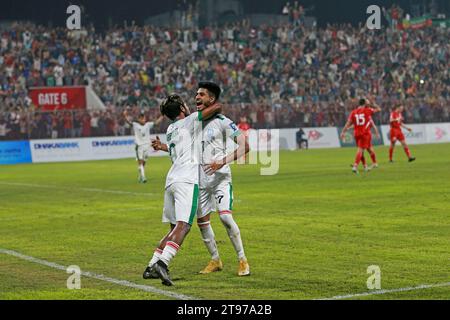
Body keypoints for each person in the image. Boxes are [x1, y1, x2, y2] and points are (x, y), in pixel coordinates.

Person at [143, 94, 222, 286]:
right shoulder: (191, 120)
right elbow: (218, 107)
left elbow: (174, 151)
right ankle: (163, 262)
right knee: (184, 225)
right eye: (185, 105)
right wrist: (208, 101)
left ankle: (151, 265)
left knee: (173, 228)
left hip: (171, 181)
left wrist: (160, 146)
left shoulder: (171, 129)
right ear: (181, 109)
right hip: (186, 180)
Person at [196, 82, 251, 277]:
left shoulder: (223, 122)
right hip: (201, 182)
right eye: (196, 94)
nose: (197, 97)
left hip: (220, 179)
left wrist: (222, 161)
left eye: (201, 94)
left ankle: (243, 260)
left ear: (211, 99)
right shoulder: (193, 122)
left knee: (225, 217)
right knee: (202, 222)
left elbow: (245, 146)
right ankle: (215, 260)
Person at [340, 98, 381, 174]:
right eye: (367, 101)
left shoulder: (353, 112)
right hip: (364, 134)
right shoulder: (367, 110)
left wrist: (343, 132)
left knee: (367, 149)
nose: (368, 101)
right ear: (365, 103)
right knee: (361, 150)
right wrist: (372, 104)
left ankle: (367, 165)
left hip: (356, 134)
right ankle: (355, 166)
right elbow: (379, 109)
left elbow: (348, 123)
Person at [123, 108, 163, 183]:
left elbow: (156, 123)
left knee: (144, 162)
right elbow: (128, 122)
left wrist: (162, 116)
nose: (143, 119)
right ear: (138, 119)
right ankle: (144, 177)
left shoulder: (148, 125)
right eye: (141, 118)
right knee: (140, 162)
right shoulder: (135, 125)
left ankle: (140, 176)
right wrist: (125, 116)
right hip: (139, 146)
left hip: (147, 146)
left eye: (143, 118)